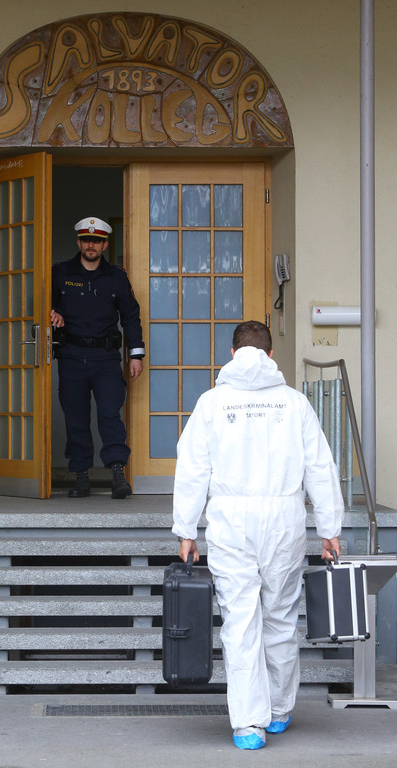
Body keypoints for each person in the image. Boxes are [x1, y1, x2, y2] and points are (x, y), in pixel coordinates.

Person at [172, 320, 344, 750]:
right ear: (270, 355)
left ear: (232, 354)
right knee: (281, 617)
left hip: (231, 520)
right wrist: (329, 528)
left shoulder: (212, 403)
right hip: (284, 518)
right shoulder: (294, 403)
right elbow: (320, 466)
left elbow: (192, 467)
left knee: (241, 620)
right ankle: (280, 709)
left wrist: (186, 528)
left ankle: (250, 723)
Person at [51, 216, 145, 499]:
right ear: (79, 242)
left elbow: (130, 316)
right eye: (86, 240)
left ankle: (117, 475)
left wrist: (136, 354)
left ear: (104, 245)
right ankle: (81, 477)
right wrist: (51, 313)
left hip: (105, 357)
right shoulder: (60, 273)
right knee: (76, 417)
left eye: (96, 241)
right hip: (71, 355)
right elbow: (43, 305)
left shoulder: (116, 277)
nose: (90, 245)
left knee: (109, 414)